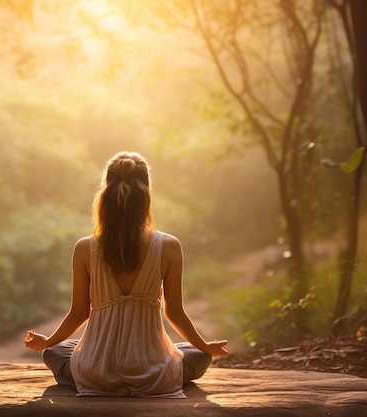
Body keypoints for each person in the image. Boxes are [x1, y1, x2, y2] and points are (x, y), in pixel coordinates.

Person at [24, 151, 228, 398]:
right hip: (154, 376)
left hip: (96, 374)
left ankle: (91, 378)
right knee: (198, 355)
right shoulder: (170, 246)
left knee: (55, 352)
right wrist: (205, 346)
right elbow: (174, 313)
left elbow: (79, 313)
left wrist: (46, 342)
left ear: (106, 195)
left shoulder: (84, 248)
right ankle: (155, 370)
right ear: (146, 196)